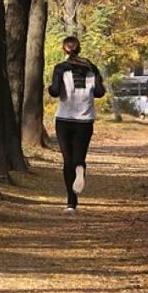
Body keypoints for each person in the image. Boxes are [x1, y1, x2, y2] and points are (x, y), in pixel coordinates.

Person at [48, 36, 105, 213]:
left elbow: (56, 92)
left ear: (64, 49)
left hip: (64, 119)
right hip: (85, 120)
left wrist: (49, 88)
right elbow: (99, 93)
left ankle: (71, 203)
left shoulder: (60, 69)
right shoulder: (91, 68)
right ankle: (80, 168)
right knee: (78, 158)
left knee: (67, 160)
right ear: (79, 49)